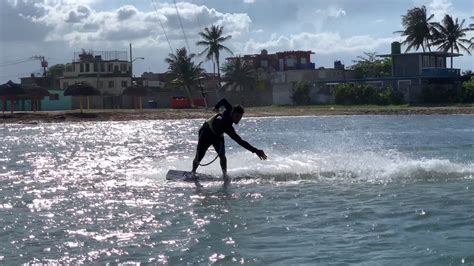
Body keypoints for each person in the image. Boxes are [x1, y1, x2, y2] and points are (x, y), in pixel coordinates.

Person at [191, 98, 267, 186]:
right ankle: (193, 172)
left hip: (217, 136)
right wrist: (255, 150)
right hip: (206, 132)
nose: (238, 119)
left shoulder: (231, 109)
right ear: (232, 114)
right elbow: (240, 141)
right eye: (237, 117)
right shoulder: (227, 125)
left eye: (240, 117)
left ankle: (224, 175)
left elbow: (223, 100)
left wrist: (217, 106)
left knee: (222, 156)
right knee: (199, 156)